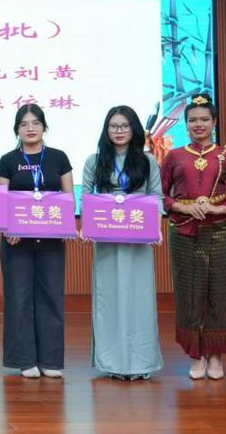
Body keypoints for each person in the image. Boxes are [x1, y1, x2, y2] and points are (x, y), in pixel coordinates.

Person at [161, 93, 226, 380]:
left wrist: (217, 207)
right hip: (185, 233)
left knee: (221, 292)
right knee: (190, 294)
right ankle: (196, 355)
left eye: (204, 119)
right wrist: (178, 205)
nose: (198, 124)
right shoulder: (174, 156)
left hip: (222, 232)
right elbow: (160, 196)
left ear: (214, 122)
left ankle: (216, 355)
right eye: (192, 120)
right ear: (185, 124)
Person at [82, 106, 164, 380]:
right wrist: (86, 226)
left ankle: (140, 362)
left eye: (124, 126)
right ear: (106, 130)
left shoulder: (148, 161)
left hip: (138, 239)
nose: (119, 131)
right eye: (113, 126)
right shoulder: (94, 161)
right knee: (109, 298)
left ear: (134, 130)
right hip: (106, 239)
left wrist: (156, 227)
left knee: (139, 298)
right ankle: (114, 363)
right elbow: (87, 198)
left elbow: (157, 197)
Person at [0, 104, 74, 378]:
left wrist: (67, 227)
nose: (30, 128)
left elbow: (68, 198)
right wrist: (8, 228)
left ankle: (51, 360)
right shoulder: (7, 160)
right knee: (19, 298)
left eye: (35, 123)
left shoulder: (58, 158)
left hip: (51, 240)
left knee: (51, 296)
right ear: (17, 129)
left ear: (44, 126)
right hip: (17, 242)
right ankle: (24, 359)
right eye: (24, 124)